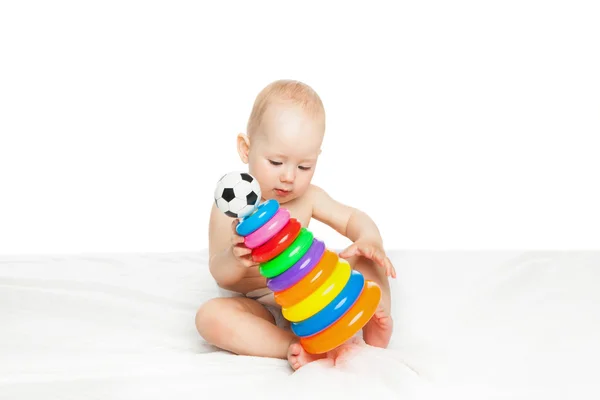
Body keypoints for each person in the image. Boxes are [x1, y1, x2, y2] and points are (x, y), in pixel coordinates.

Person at [196, 79, 396, 370]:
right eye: (276, 162)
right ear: (245, 149)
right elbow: (220, 273)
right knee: (210, 317)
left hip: (315, 293)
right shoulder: (230, 209)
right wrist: (236, 258)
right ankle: (290, 345)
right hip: (262, 304)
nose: (289, 176)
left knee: (369, 259)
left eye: (304, 166)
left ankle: (371, 322)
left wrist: (369, 239)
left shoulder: (309, 197)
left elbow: (353, 218)